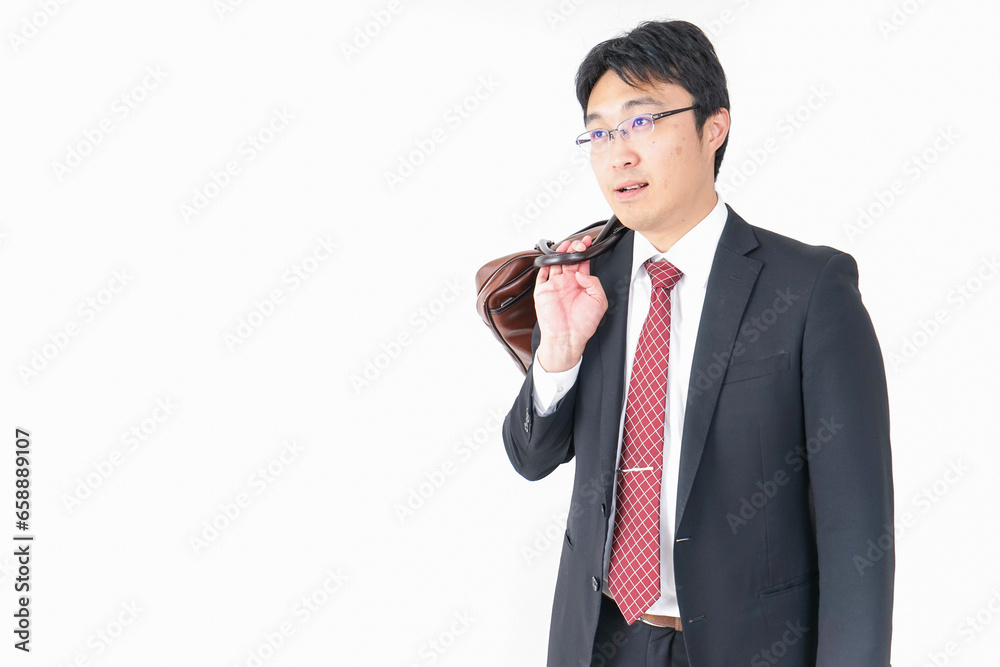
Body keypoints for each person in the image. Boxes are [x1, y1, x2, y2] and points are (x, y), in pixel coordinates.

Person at [500, 19, 894, 667]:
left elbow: (857, 528)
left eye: (642, 122)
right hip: (600, 640)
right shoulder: (580, 281)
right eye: (600, 132)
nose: (619, 154)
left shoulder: (808, 289)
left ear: (715, 127)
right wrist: (558, 355)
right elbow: (531, 457)